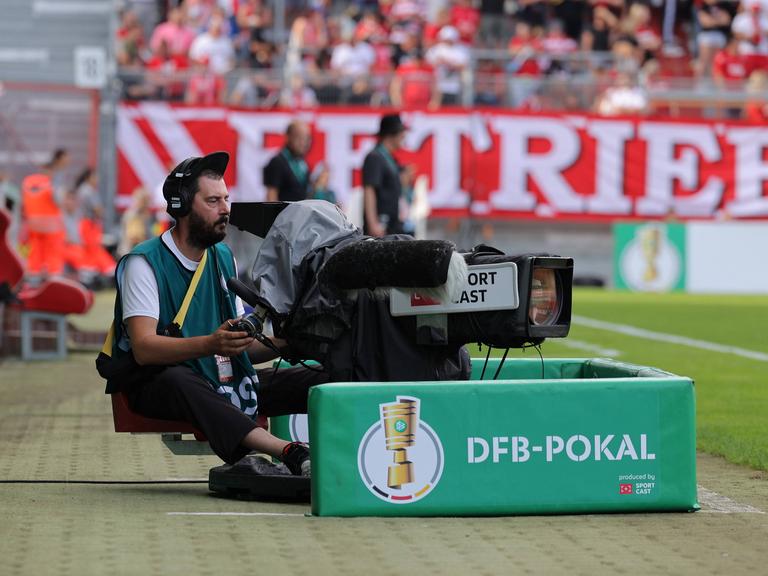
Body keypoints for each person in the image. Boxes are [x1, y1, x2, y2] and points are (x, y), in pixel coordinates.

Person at [103, 151, 327, 473]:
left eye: (226, 198)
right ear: (180, 207)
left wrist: (295, 343)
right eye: (213, 201)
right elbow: (144, 348)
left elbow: (242, 346)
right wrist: (211, 344)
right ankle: (289, 451)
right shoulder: (143, 263)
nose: (225, 209)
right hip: (162, 385)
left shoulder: (223, 256)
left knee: (320, 375)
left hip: (221, 380)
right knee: (180, 378)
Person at [362, 113, 407, 237]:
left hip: (392, 224)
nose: (404, 136)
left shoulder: (390, 159)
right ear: (390, 135)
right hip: (381, 226)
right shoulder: (374, 157)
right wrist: (373, 223)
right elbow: (369, 190)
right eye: (400, 132)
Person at [263, 120, 312, 202]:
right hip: (285, 213)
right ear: (287, 137)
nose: (303, 142)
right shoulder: (277, 162)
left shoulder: (302, 163)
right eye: (299, 137)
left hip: (301, 213)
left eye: (306, 138)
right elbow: (271, 196)